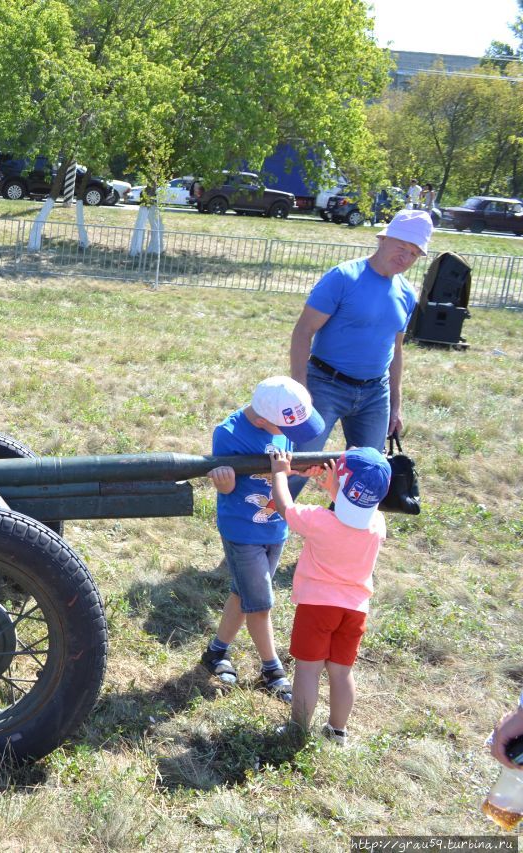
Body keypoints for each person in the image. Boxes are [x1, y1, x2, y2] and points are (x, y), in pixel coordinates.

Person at [200, 377, 325, 702]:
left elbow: (282, 468)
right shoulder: (228, 435)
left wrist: (300, 471)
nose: (294, 436)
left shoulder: (281, 426)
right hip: (242, 530)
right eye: (289, 429)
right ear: (260, 421)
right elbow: (226, 489)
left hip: (274, 527)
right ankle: (272, 671)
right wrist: (223, 482)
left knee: (244, 595)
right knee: (261, 603)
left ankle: (216, 652)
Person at [288, 210, 426, 489]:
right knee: (299, 465)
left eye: (413, 254)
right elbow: (303, 331)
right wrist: (300, 389)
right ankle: (270, 523)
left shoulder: (407, 294)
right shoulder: (343, 277)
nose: (405, 257)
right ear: (383, 240)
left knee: (369, 475)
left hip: (375, 394)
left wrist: (395, 405)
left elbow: (396, 350)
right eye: (401, 247)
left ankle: (343, 529)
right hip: (325, 385)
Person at [269, 445, 390, 746]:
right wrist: (336, 488)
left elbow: (285, 508)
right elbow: (353, 514)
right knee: (340, 671)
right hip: (355, 611)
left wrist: (280, 474)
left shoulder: (318, 520)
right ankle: (337, 731)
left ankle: (298, 729)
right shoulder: (377, 525)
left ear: (342, 480)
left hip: (317, 607)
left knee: (308, 670)